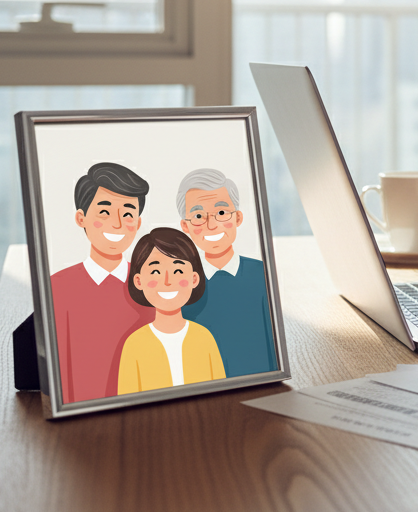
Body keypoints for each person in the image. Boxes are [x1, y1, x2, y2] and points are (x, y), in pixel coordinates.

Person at [49, 162, 154, 403]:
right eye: (104, 212)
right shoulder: (58, 287)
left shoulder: (151, 286)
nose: (117, 224)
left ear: (137, 223)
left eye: (128, 213)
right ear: (81, 218)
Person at [177, 169, 276, 377]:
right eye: (198, 216)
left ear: (238, 217)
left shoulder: (261, 275)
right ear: (185, 226)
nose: (212, 225)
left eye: (221, 213)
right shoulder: (181, 283)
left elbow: (272, 340)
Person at [117, 228, 225, 394]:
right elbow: (127, 402)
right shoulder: (134, 344)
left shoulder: (205, 339)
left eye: (178, 271)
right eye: (155, 271)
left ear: (194, 279)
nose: (167, 281)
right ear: (138, 281)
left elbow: (221, 394)